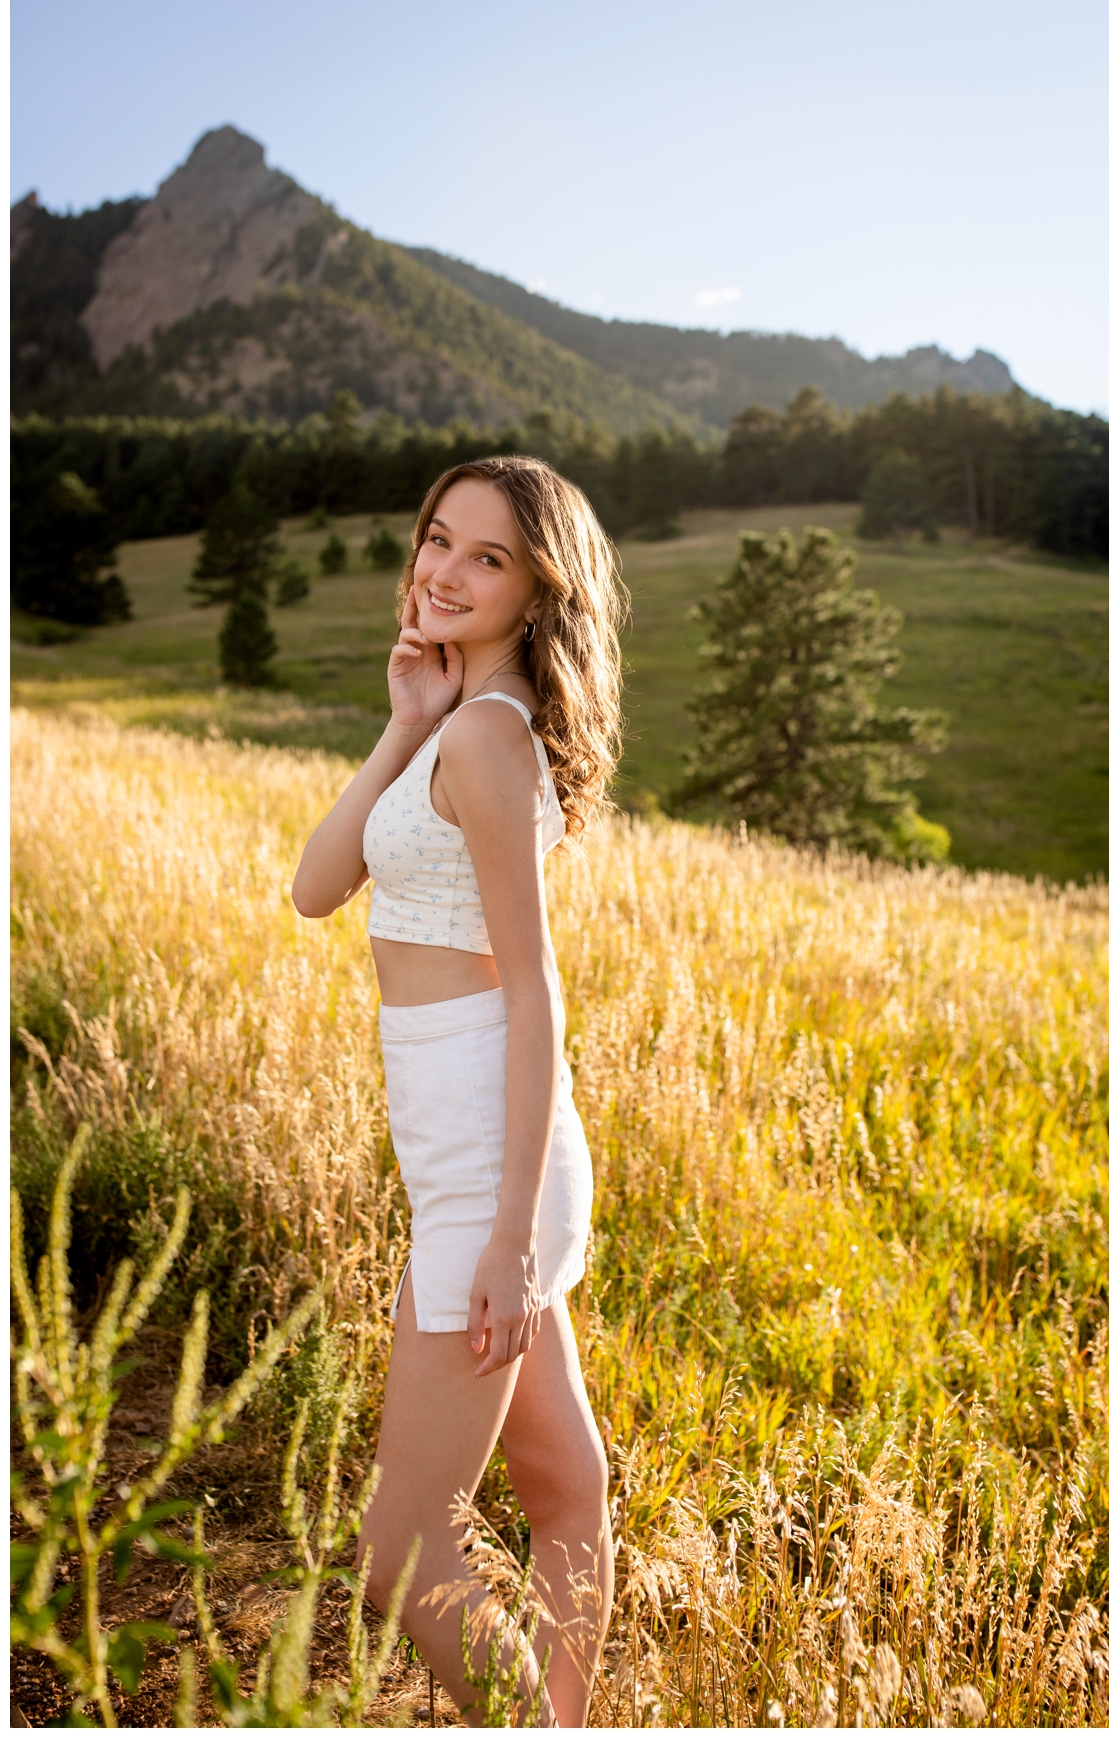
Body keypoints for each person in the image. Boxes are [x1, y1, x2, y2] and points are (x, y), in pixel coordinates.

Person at [292, 456, 626, 1724]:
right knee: (564, 1487)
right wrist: (399, 724)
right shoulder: (455, 722)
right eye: (440, 539)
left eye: (486, 558)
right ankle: (573, 1718)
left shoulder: (492, 739)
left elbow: (535, 992)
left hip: (496, 1153)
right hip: (462, 1139)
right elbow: (316, 888)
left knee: (399, 1544)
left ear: (538, 588)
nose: (443, 569)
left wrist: (502, 1235)